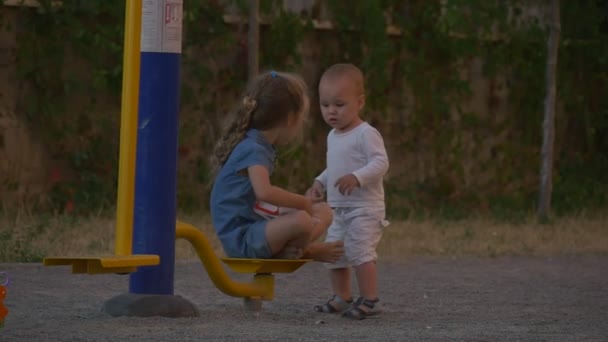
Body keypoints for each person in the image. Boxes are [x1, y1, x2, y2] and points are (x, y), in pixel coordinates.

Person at [210, 70, 344, 262]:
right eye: (301, 120)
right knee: (302, 220)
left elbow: (262, 202)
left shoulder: (258, 146)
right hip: (243, 239)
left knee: (324, 212)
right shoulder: (253, 149)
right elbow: (264, 192)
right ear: (290, 119)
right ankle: (307, 251)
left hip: (257, 225)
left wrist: (303, 206)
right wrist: (303, 203)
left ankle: (291, 251)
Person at [308, 63, 390, 320]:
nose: (331, 111)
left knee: (359, 251)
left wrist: (357, 177)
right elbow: (333, 167)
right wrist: (320, 182)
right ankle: (342, 297)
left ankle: (371, 300)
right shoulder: (333, 136)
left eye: (339, 105)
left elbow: (380, 163)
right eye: (325, 104)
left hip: (365, 208)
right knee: (334, 252)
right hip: (339, 209)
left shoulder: (366, 133)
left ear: (360, 102)